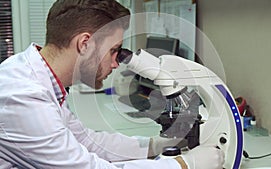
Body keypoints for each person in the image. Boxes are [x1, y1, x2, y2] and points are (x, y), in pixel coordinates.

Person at [0, 0, 224, 168]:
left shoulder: (40, 78)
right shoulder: (24, 95)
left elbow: (88, 142)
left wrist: (156, 145)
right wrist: (185, 164)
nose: (117, 63)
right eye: (114, 50)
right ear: (85, 44)